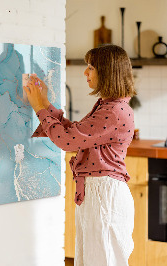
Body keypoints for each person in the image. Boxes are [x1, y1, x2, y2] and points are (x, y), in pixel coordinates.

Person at [24, 44, 136, 266]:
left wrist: (39, 108)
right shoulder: (109, 106)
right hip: (99, 193)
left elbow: (67, 141)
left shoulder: (113, 111)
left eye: (91, 67)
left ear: (107, 72)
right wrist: (45, 103)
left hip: (104, 195)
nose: (85, 72)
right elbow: (74, 133)